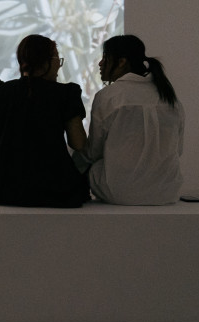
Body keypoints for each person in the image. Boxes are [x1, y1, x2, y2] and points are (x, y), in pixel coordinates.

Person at [0, 34, 90, 207]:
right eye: (57, 59)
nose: (59, 66)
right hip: (58, 191)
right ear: (45, 62)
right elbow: (78, 143)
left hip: (7, 190)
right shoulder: (65, 93)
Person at [75, 35, 184, 205]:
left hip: (119, 193)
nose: (100, 63)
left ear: (121, 62)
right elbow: (178, 149)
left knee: (79, 158)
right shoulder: (170, 98)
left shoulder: (108, 96)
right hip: (167, 192)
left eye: (105, 58)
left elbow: (94, 152)